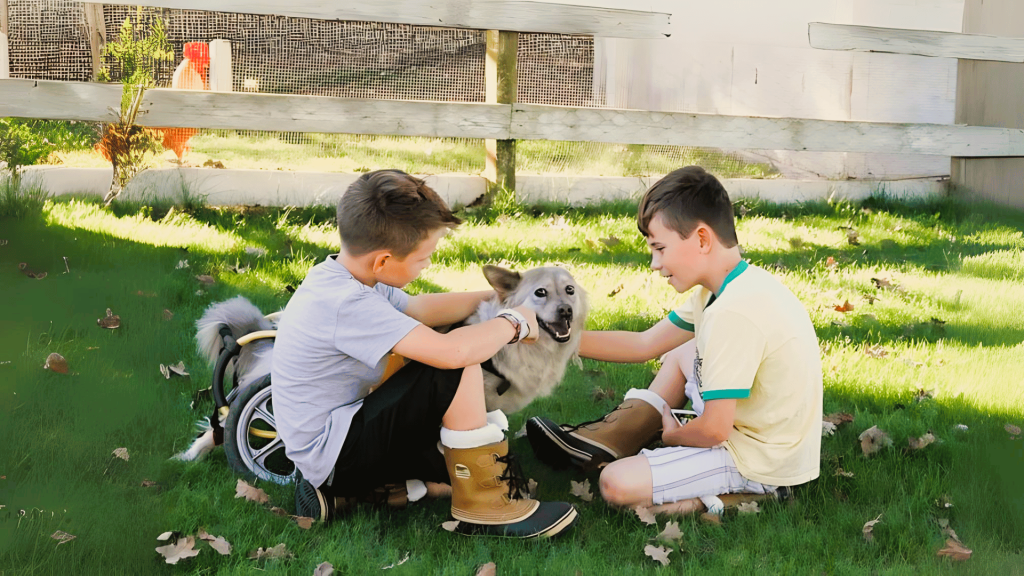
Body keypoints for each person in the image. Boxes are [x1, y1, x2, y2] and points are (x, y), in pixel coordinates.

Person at [271, 169, 577, 538]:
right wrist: (513, 321)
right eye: (423, 258)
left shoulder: (348, 277)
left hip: (345, 435)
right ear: (383, 261)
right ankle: (486, 507)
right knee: (457, 360)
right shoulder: (346, 302)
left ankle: (366, 494)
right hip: (336, 454)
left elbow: (419, 309)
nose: (428, 265)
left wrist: (512, 296)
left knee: (479, 471)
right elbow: (451, 354)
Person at [527, 166, 822, 514]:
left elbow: (714, 429)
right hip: (766, 433)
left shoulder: (733, 312)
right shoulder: (725, 288)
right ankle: (618, 434)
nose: (655, 263)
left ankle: (751, 494)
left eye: (660, 248)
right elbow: (644, 344)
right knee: (682, 350)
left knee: (616, 484)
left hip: (758, 457)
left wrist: (674, 437)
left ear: (701, 239)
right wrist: (553, 336)